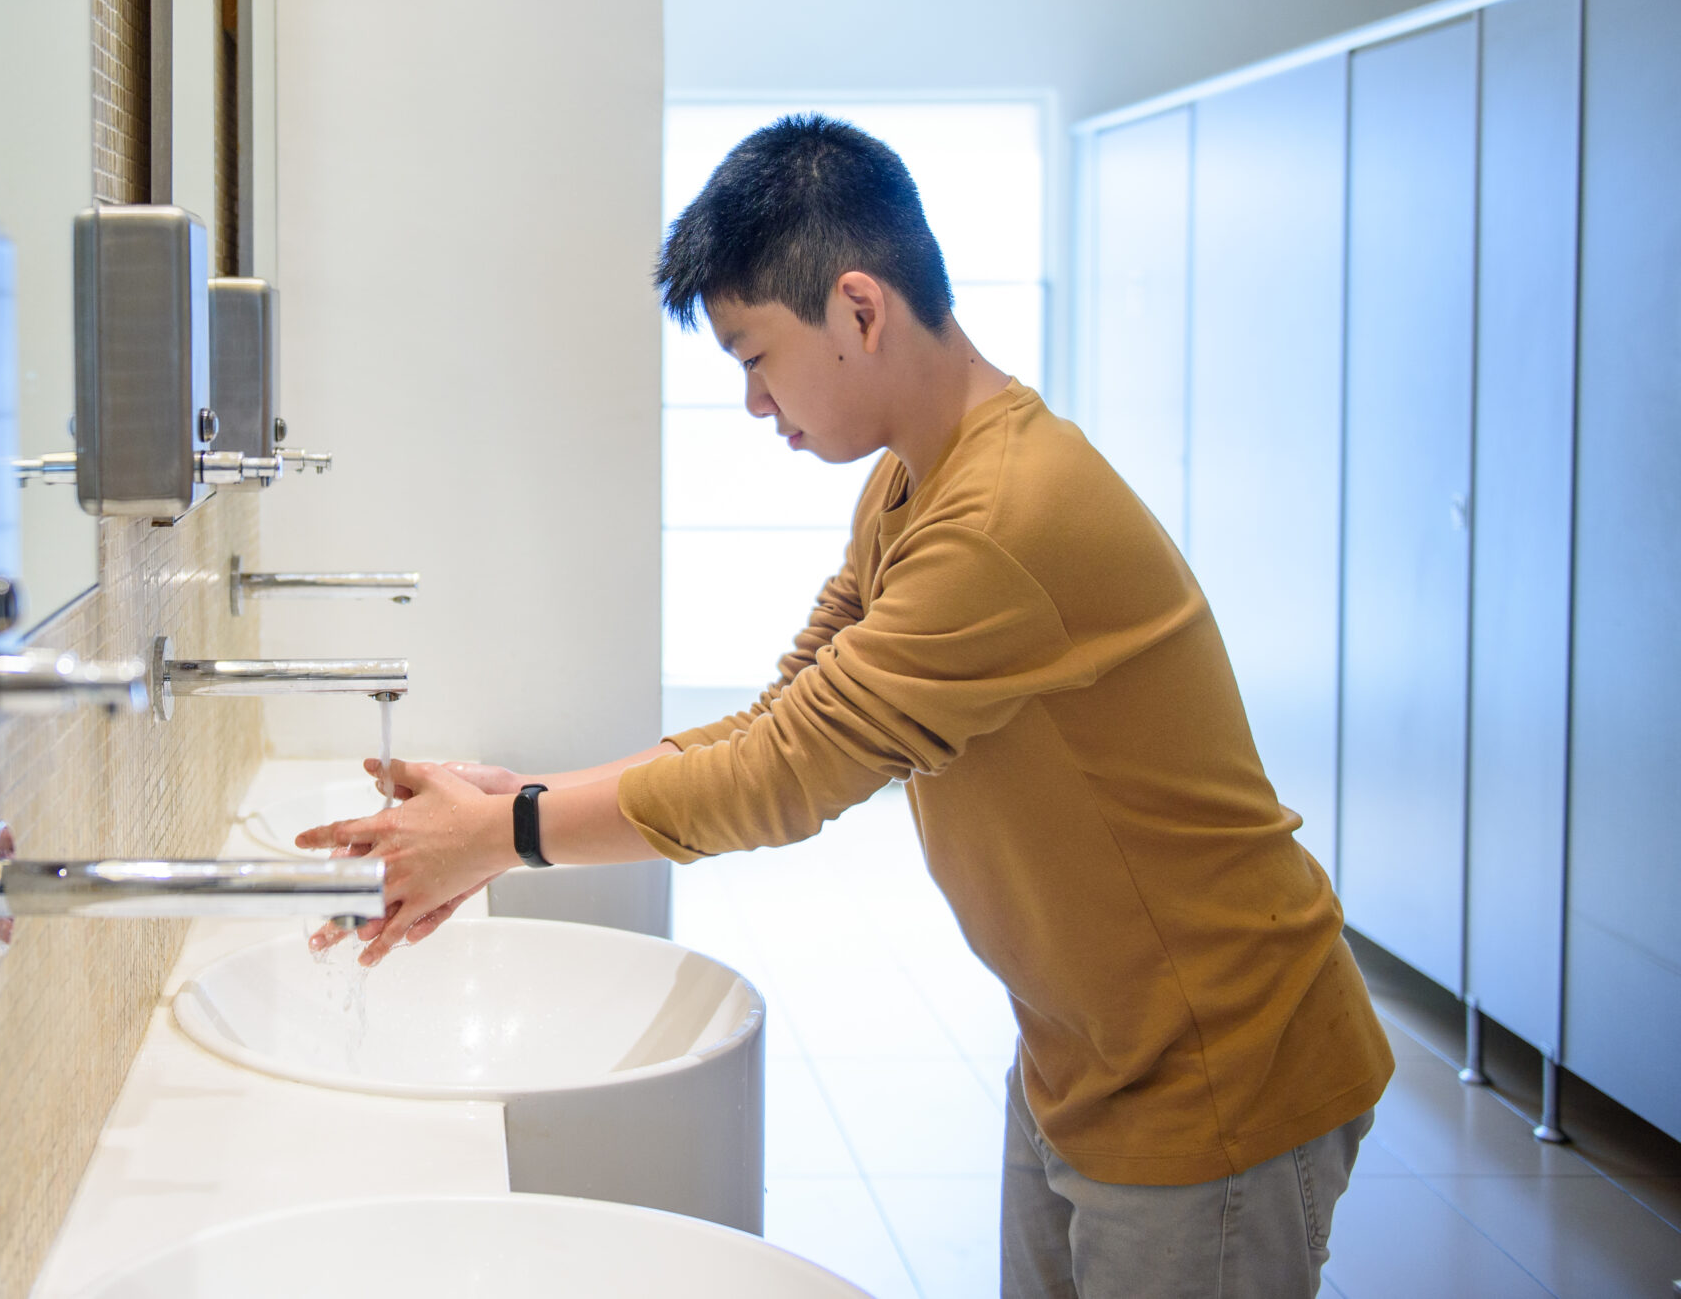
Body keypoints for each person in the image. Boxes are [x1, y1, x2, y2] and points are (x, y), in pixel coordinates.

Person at [301, 113, 1393, 1299]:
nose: (756, 403)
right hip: (1085, 1045)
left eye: (754, 355)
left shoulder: (1004, 517)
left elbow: (785, 773)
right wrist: (519, 800)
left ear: (858, 310)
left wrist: (504, 838)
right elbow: (788, 712)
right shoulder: (909, 481)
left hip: (1214, 1063)